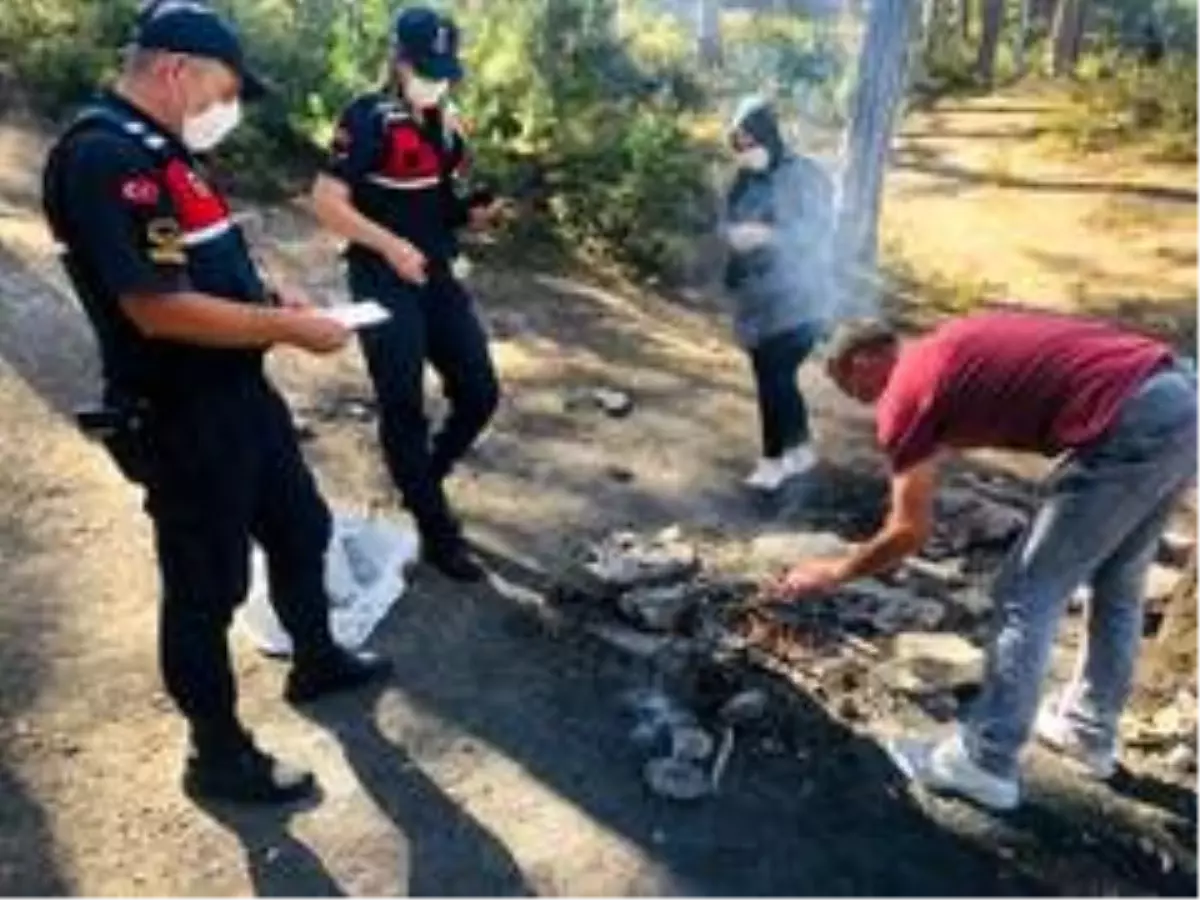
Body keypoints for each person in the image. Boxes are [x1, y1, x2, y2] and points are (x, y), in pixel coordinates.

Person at [42, 2, 391, 805]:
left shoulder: (167, 151)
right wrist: (289, 329)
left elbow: (203, 265)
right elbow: (156, 306)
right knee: (207, 588)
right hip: (181, 412)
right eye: (224, 92)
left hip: (241, 394)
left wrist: (273, 297)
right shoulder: (101, 155)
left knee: (301, 528)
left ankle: (317, 659)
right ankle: (218, 754)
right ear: (175, 71)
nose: (225, 111)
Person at [768, 311, 1199, 811]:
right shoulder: (944, 347)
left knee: (1025, 593)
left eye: (843, 380)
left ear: (865, 360)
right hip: (1177, 401)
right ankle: (1088, 731)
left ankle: (986, 760)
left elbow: (908, 531)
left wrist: (835, 570)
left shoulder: (905, 389)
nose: (849, 396)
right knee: (1118, 582)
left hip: (1130, 422)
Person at [311, 6, 502, 581]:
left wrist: (473, 215)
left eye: (445, 70)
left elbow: (439, 205)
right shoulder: (366, 116)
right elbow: (325, 201)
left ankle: (423, 482)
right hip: (380, 277)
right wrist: (390, 245)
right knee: (403, 404)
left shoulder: (445, 122)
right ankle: (436, 527)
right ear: (398, 60)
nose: (436, 81)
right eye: (427, 69)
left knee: (479, 391)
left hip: (437, 274)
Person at [722, 96, 833, 492]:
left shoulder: (805, 176)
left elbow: (819, 235)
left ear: (768, 135)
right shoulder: (743, 181)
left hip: (802, 299)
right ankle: (800, 450)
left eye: (748, 142)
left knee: (774, 376)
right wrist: (733, 239)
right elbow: (726, 223)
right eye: (737, 144)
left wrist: (770, 236)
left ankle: (772, 460)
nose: (743, 152)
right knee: (776, 377)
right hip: (758, 301)